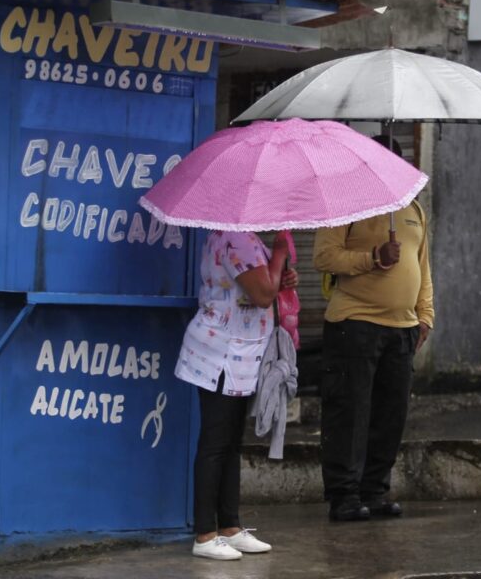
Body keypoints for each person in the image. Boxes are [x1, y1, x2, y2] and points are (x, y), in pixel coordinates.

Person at [312, 135, 433, 522]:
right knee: (349, 413)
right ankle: (344, 496)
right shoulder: (345, 205)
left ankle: (375, 491)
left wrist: (425, 314)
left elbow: (422, 265)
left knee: (390, 414)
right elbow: (324, 256)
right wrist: (373, 257)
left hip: (403, 330)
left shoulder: (413, 209)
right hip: (355, 325)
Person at [175, 229, 299, 560]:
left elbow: (262, 288)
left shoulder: (246, 239)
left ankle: (229, 526)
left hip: (241, 355)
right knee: (216, 443)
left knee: (231, 443)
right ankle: (205, 534)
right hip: (220, 354)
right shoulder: (235, 239)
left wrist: (279, 275)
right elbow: (261, 294)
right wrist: (279, 254)